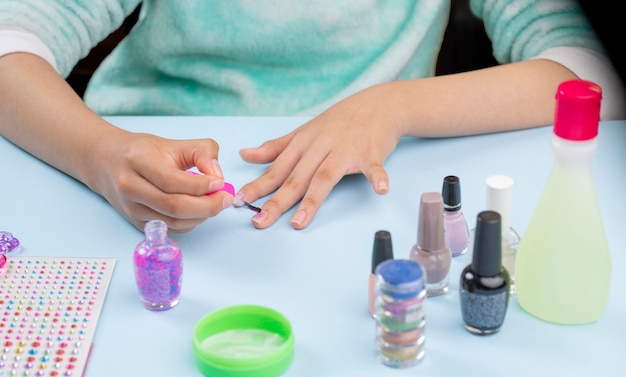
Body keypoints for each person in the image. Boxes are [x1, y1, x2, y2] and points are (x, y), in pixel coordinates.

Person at [0, 1, 623, 233]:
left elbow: (592, 76)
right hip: (117, 195)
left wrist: (395, 104)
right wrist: (100, 154)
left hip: (369, 204)